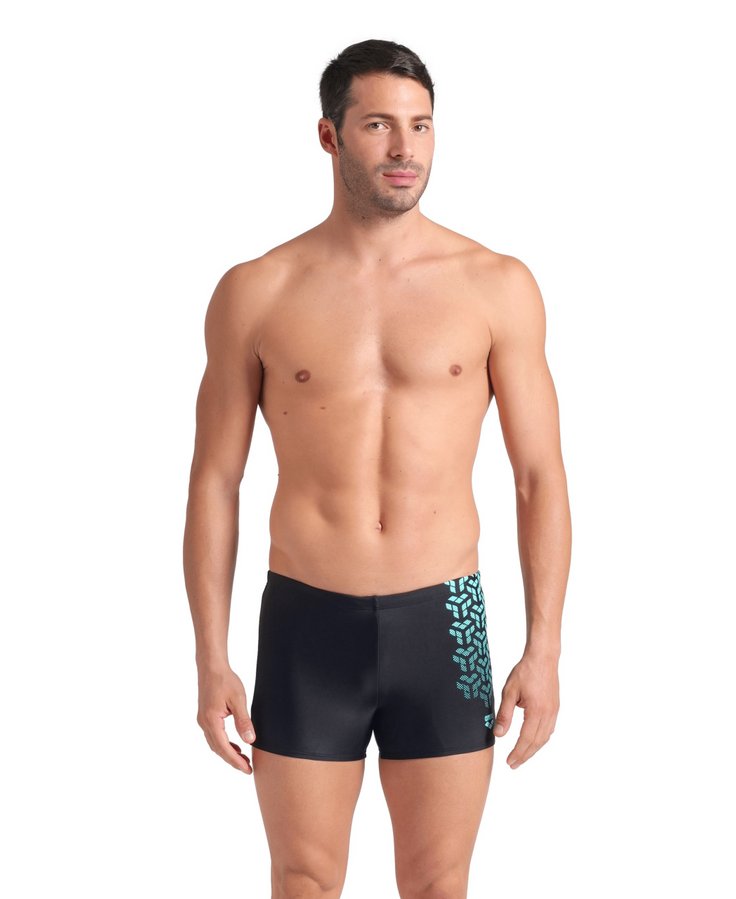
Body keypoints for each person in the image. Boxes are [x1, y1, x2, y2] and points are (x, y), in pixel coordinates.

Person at [183, 37, 571, 899]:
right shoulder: (258, 289)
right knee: (304, 878)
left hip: (447, 620)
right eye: (379, 126)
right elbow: (214, 480)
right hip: (305, 623)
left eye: (420, 126)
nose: (405, 148)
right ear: (329, 136)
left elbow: (539, 476)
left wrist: (544, 647)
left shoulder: (496, 284)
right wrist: (211, 655)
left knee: (438, 883)